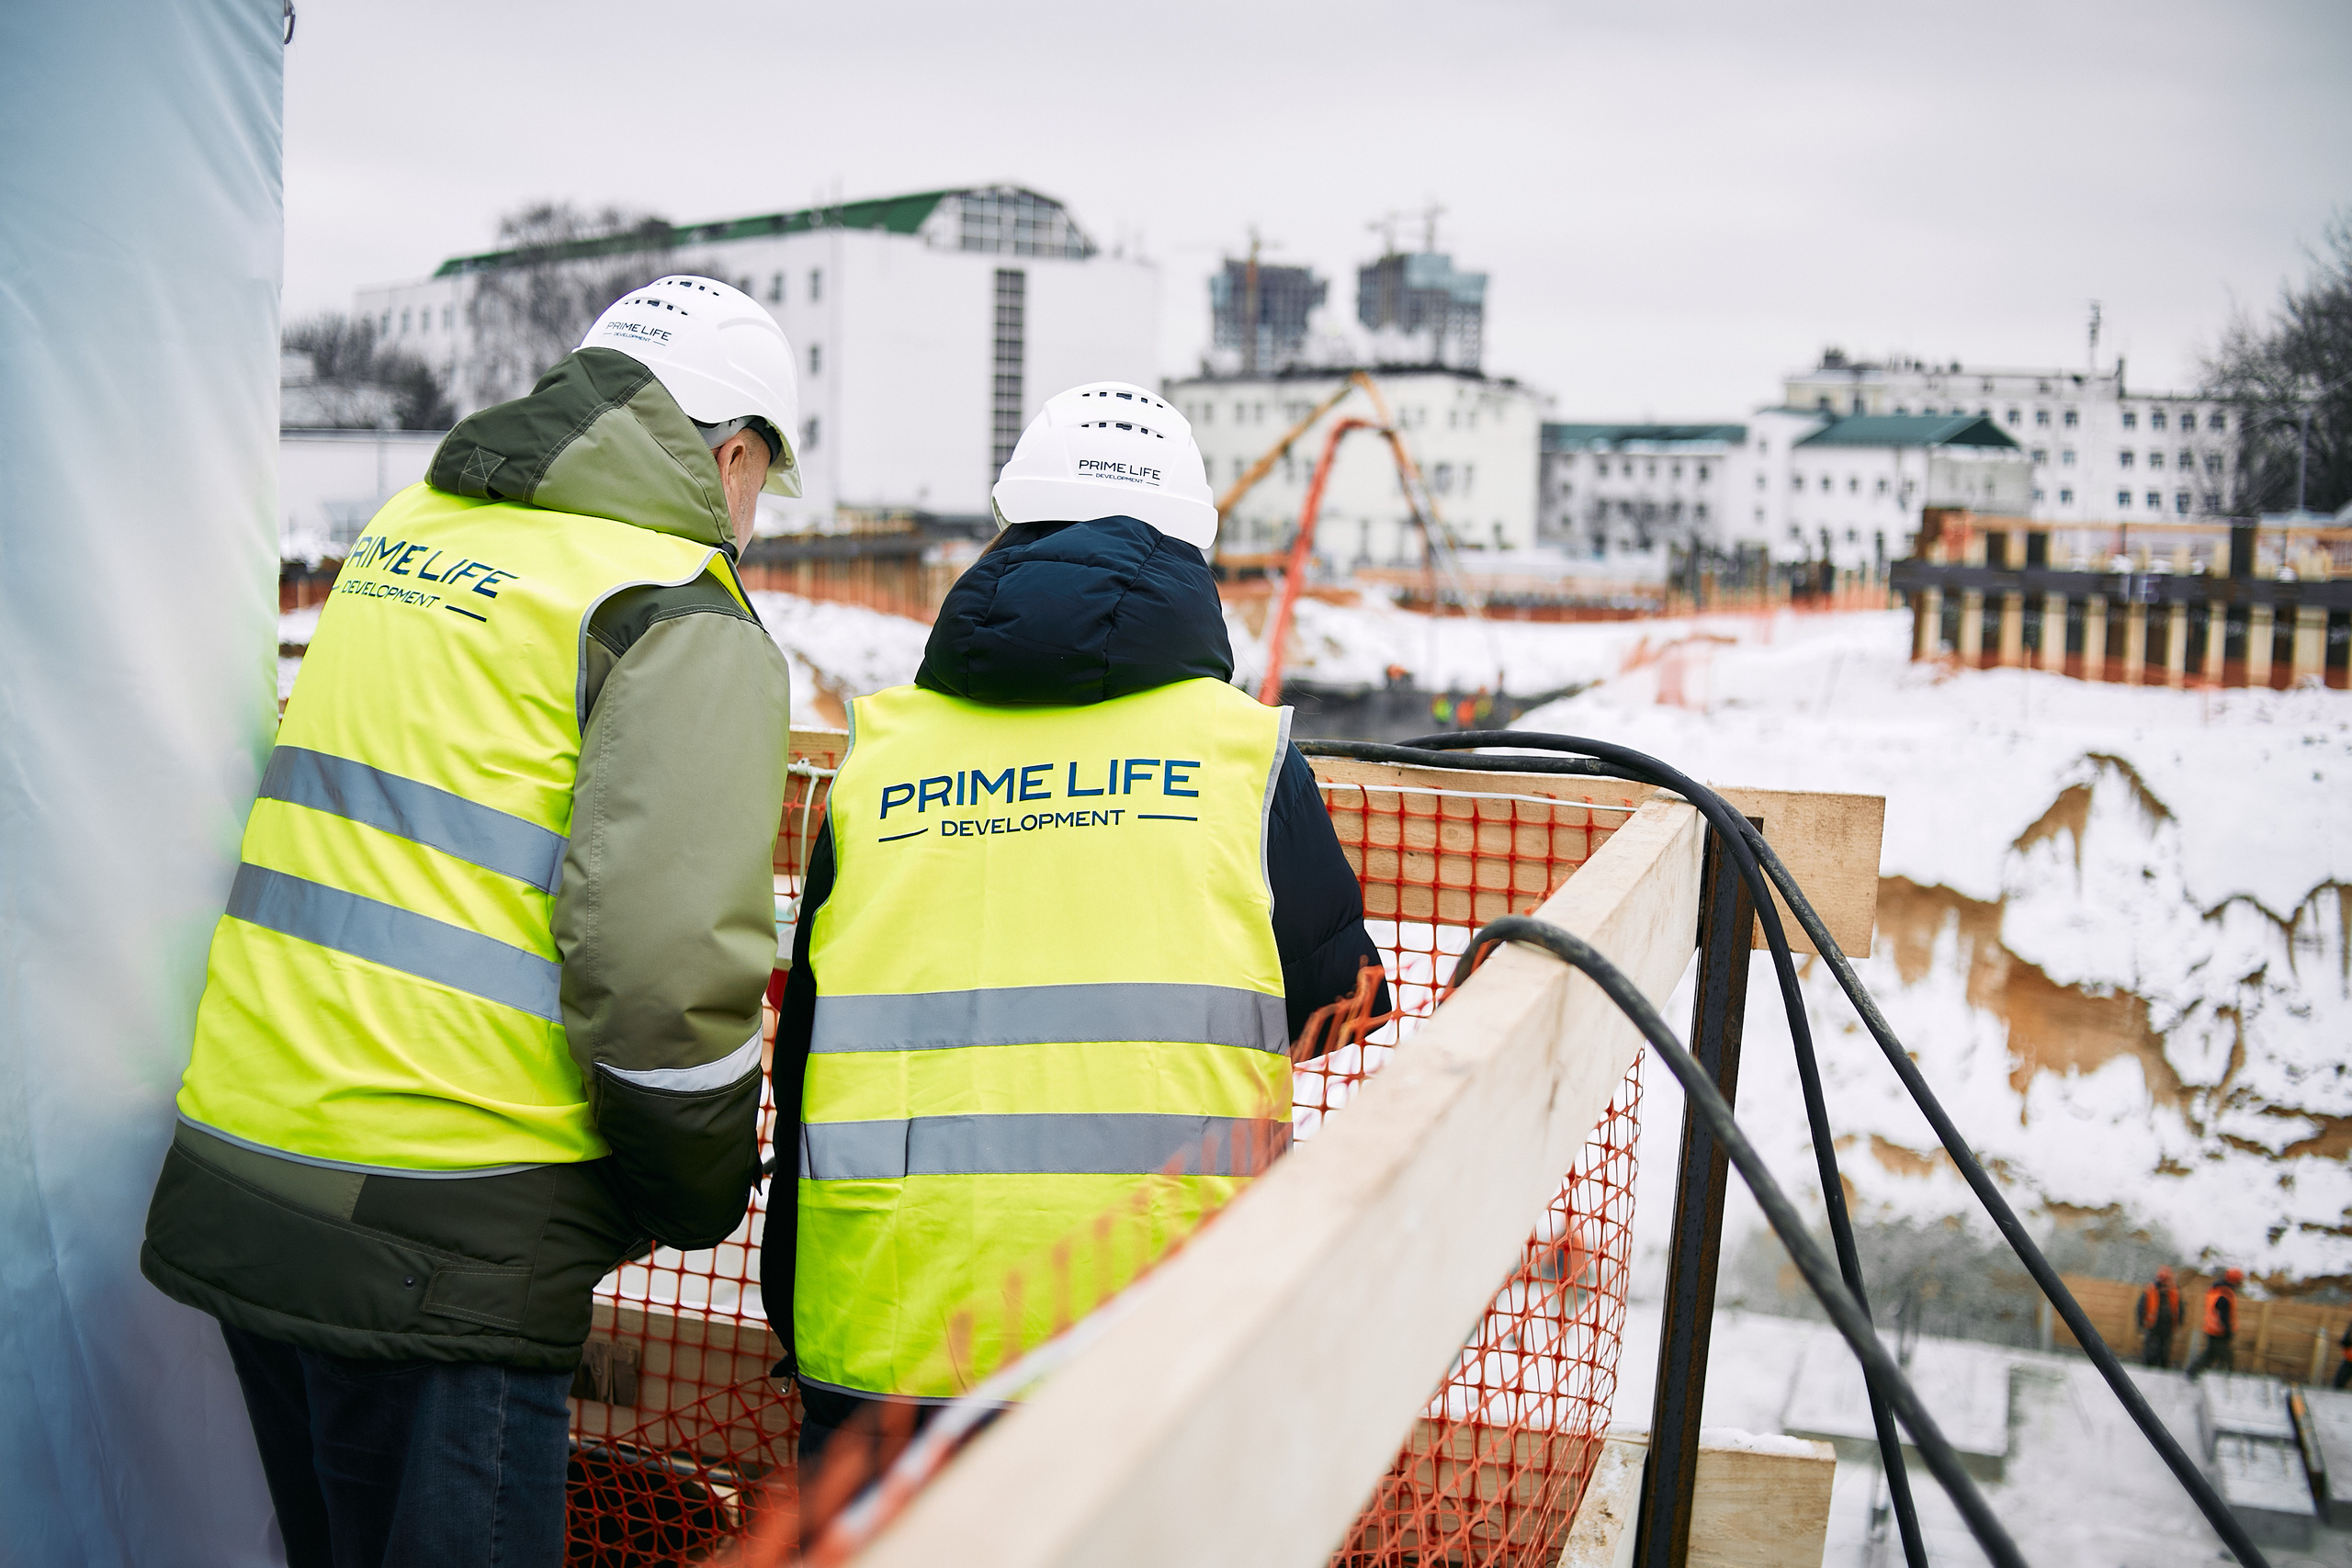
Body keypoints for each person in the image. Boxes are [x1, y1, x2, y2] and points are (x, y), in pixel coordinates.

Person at [142, 276, 799, 1565]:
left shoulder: (409, 526)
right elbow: (662, 977)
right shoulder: (674, 608)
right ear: (731, 454)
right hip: (450, 1223)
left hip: (247, 1159)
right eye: (762, 479)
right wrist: (701, 1185)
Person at [765, 381, 1388, 1465]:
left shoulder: (883, 758)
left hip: (881, 1346)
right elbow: (1342, 1010)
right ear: (1190, 547)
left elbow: (808, 1049)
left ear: (1008, 532)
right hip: (1155, 1357)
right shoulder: (1240, 759)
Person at [2188, 1268, 2245, 1379]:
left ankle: (2194, 1372)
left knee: (2211, 1354)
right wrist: (2228, 1332)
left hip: (2212, 1329)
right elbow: (2224, 1317)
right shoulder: (2224, 1295)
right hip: (2219, 1332)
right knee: (2225, 1356)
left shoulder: (2217, 1290)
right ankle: (2225, 1377)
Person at [2136, 1265, 2182, 1369]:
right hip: (2152, 1325)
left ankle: (2162, 1369)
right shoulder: (2150, 1291)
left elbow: (2179, 1310)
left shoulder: (2175, 1293)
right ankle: (2148, 1368)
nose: (2165, 1286)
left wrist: (2178, 1324)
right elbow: (2141, 1308)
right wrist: (2141, 1324)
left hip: (2167, 1327)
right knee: (2150, 1350)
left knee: (2165, 1350)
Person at [2334, 1316, 2352, 1390]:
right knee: (2338, 1381)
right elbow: (2346, 1342)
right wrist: (2343, 1343)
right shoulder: (2350, 1330)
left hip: (2349, 1359)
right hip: (2349, 1360)